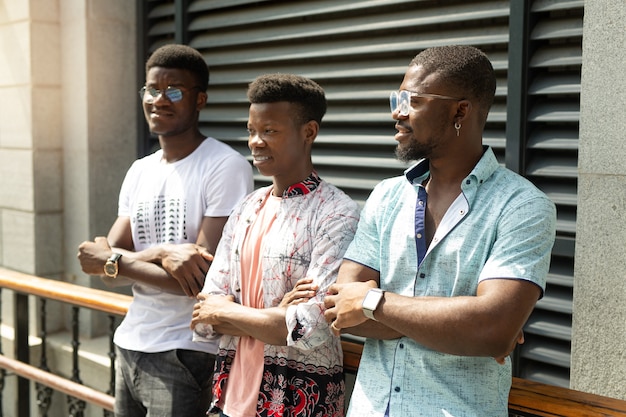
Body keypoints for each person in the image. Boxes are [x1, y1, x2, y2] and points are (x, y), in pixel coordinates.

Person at [323, 45, 557, 417]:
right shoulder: (386, 197)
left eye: (412, 100)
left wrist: (375, 302)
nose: (397, 112)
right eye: (397, 98)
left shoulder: (522, 206)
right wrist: (462, 324)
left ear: (460, 110)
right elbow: (340, 307)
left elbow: (492, 329)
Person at [77, 44, 254, 417]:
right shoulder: (140, 170)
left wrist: (116, 261)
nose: (159, 99)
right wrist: (160, 253)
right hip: (129, 343)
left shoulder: (225, 166)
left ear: (200, 99)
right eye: (152, 90)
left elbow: (199, 280)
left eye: (174, 91)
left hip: (185, 352)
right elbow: (98, 262)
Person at [190, 73, 360, 417]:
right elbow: (204, 314)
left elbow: (308, 326)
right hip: (229, 397)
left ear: (308, 132)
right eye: (252, 130)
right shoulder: (246, 207)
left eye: (269, 131)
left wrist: (232, 312)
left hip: (297, 400)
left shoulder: (337, 212)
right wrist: (274, 315)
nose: (255, 141)